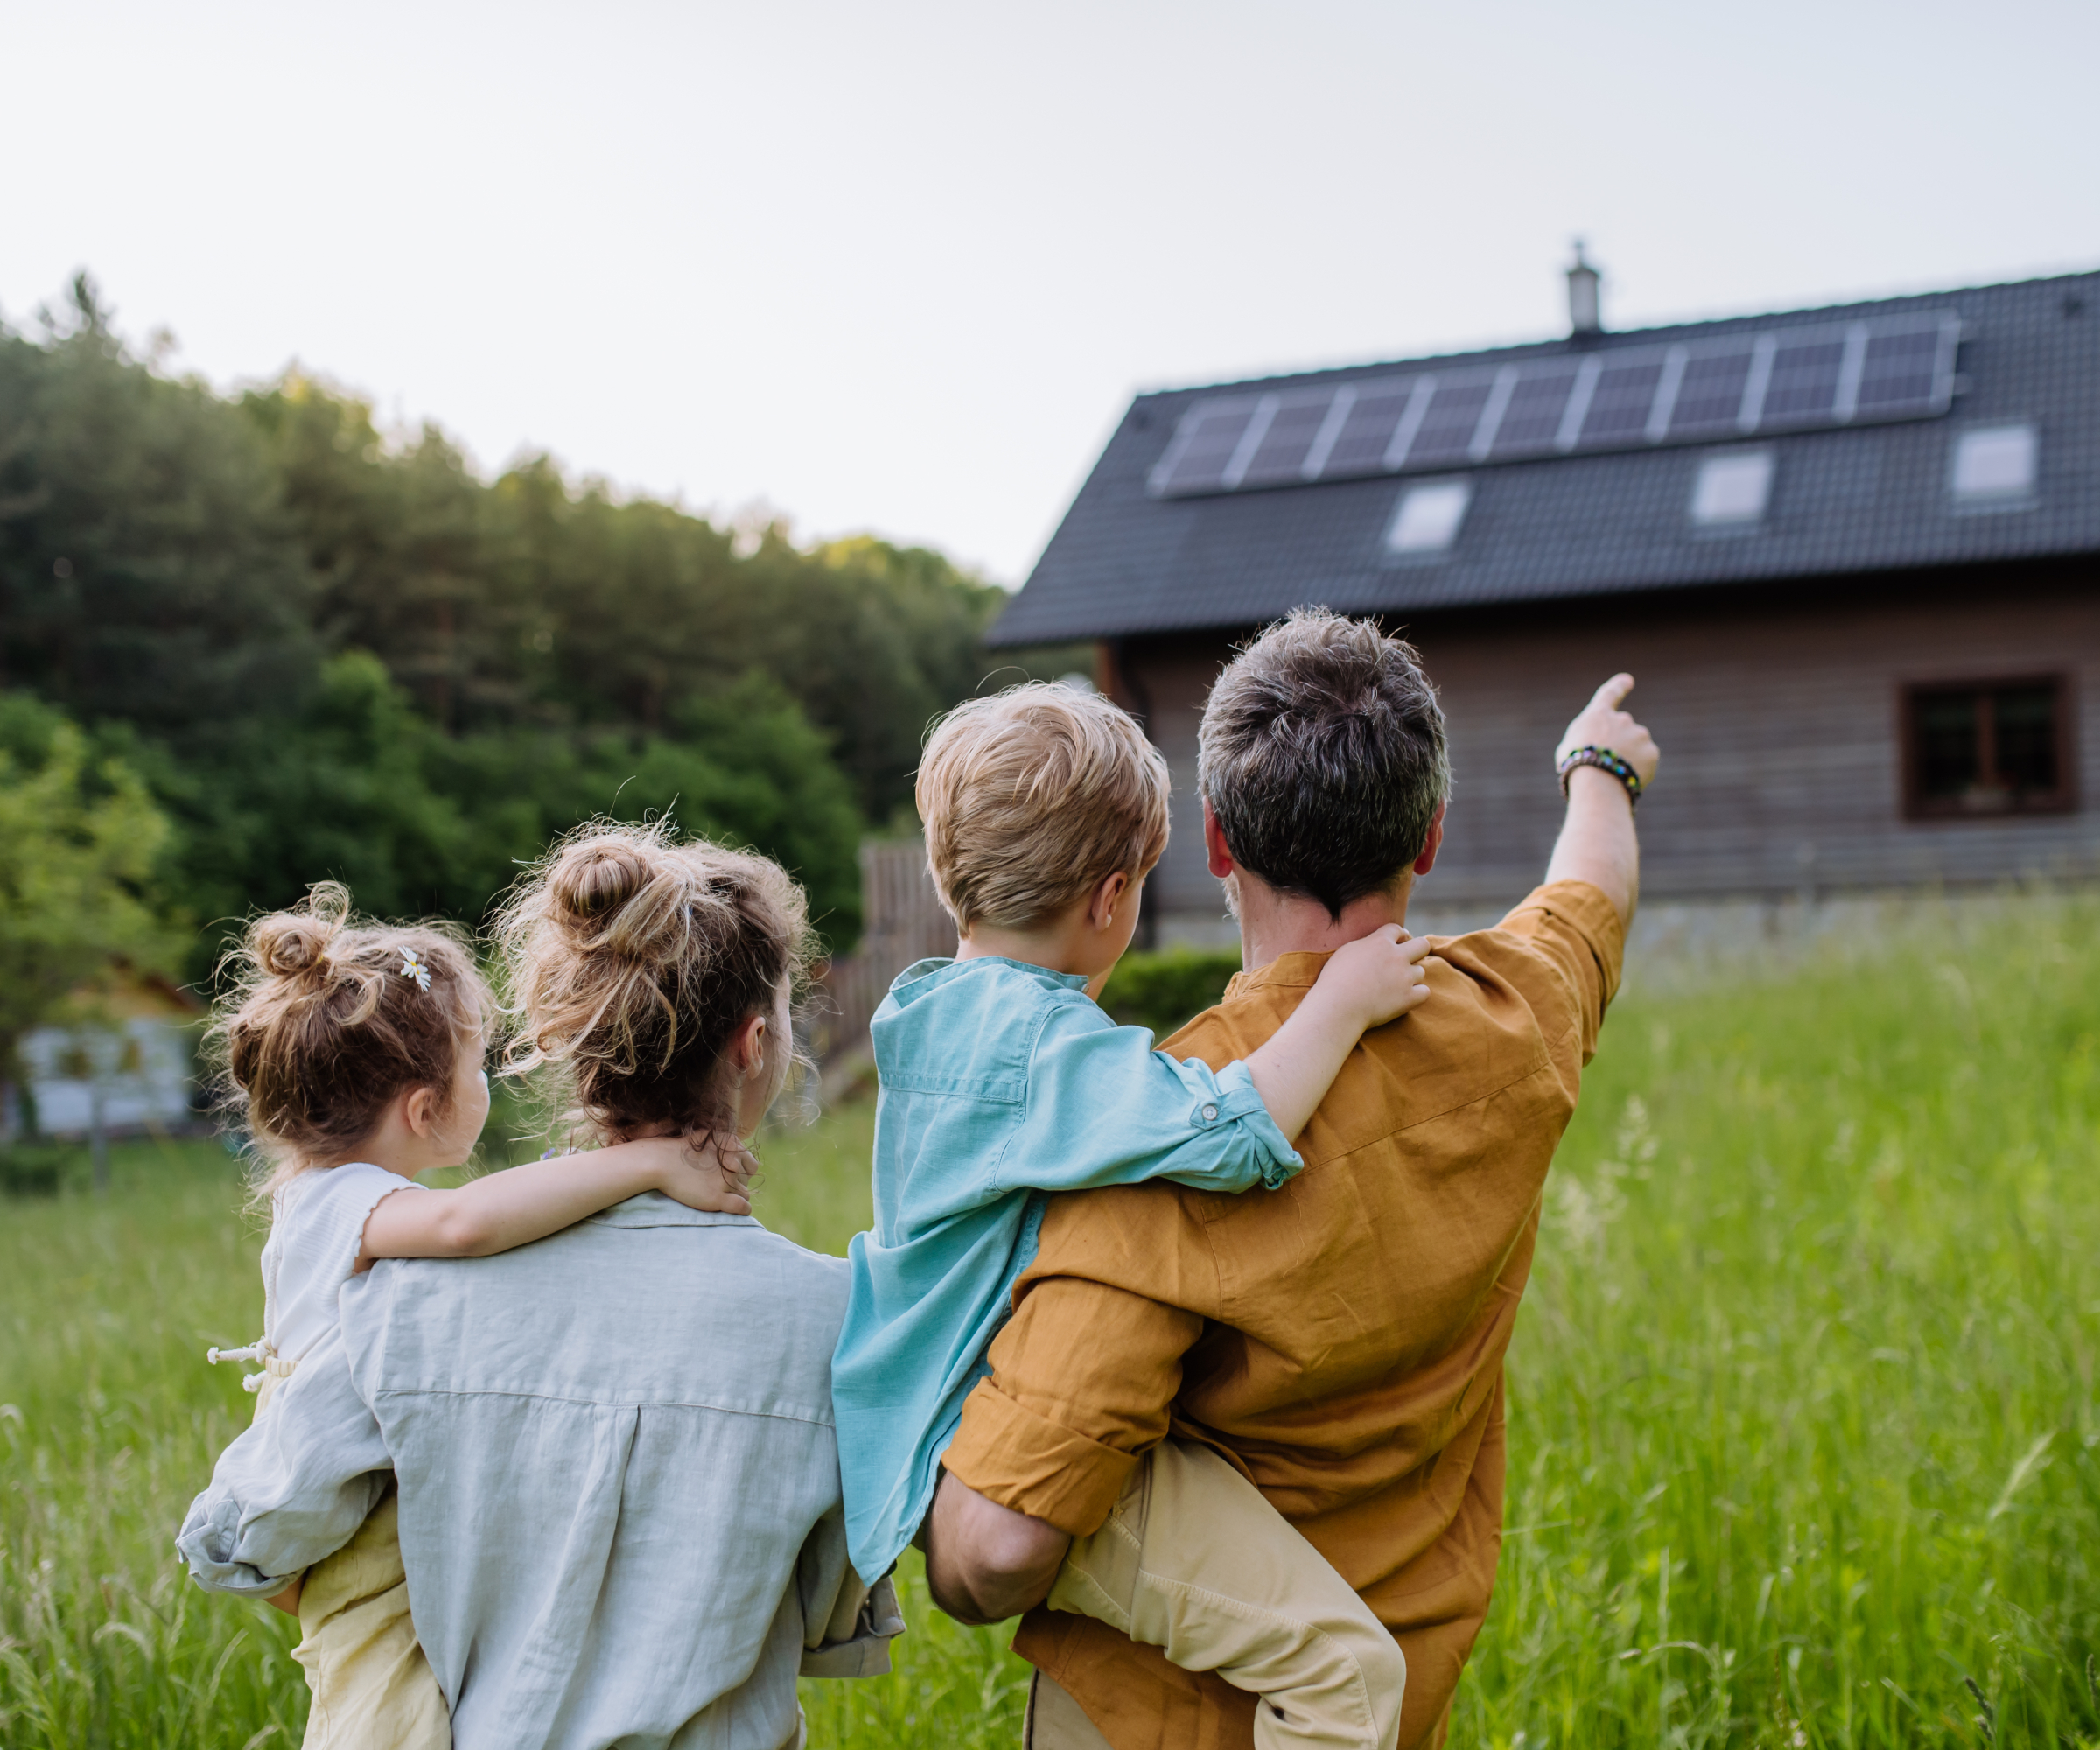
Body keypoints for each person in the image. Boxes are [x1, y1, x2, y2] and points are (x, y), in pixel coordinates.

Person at [925, 611, 1662, 1750]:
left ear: (1215, 841)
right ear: (1428, 838)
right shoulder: (1519, 1019)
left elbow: (994, 1552)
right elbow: (1589, 896)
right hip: (1388, 1708)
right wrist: (1599, 765)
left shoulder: (1152, 1134)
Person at [180, 827, 901, 1749]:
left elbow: (246, 1536)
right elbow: (833, 1615)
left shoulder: (400, 1299)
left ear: (567, 1035)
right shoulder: (840, 1320)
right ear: (756, 1042)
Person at [834, 683, 1432, 1750]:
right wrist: (1343, 996)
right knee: (1346, 1673)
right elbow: (1228, 1134)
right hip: (990, 1446)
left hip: (927, 1435)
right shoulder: (1040, 1047)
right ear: (1113, 899)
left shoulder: (925, 1010)